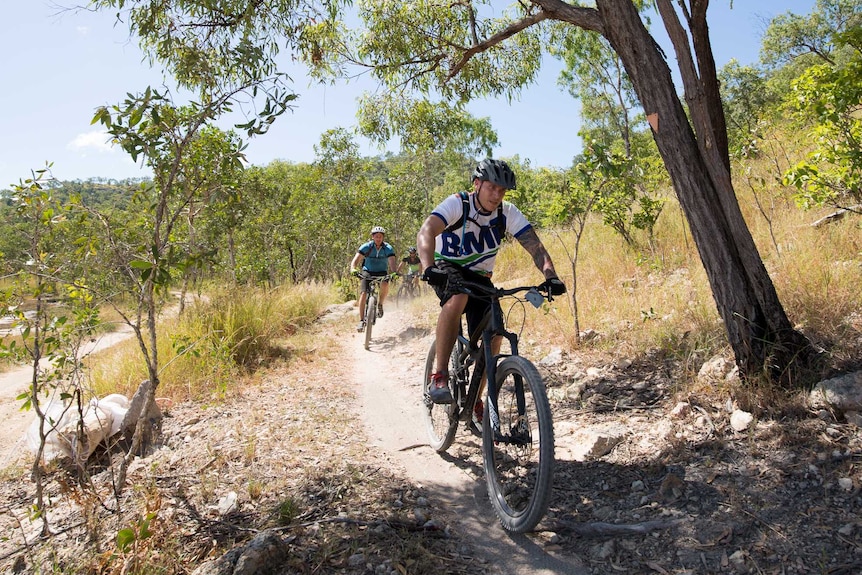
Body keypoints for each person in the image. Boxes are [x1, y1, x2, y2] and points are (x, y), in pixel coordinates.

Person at [416, 159, 566, 413]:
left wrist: (550, 276)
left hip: (480, 277)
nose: (497, 195)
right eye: (491, 188)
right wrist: (428, 267)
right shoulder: (458, 203)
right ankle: (439, 375)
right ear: (477, 184)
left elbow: (536, 247)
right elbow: (427, 230)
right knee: (458, 298)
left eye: (502, 190)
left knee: (495, 332)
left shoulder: (507, 213)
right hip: (447, 267)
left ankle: (475, 395)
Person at [350, 225, 397, 332]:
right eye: (376, 236)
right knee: (363, 293)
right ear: (372, 237)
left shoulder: (388, 248)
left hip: (381, 272)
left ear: (383, 237)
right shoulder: (366, 247)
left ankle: (380, 304)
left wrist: (394, 272)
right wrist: (353, 269)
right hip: (367, 271)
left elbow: (392, 262)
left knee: (385, 284)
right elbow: (355, 260)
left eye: (380, 236)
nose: (378, 238)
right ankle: (361, 320)